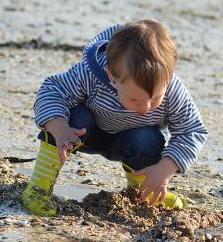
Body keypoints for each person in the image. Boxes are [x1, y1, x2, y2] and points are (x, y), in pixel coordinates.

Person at [21, 19, 208, 216]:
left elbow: (192, 130)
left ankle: (142, 192)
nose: (145, 108)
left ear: (168, 79)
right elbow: (53, 90)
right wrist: (58, 127)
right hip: (82, 133)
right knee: (75, 116)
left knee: (147, 137)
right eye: (135, 99)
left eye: (154, 99)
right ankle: (39, 187)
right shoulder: (91, 74)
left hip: (131, 141)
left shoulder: (173, 91)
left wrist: (165, 168)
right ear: (112, 76)